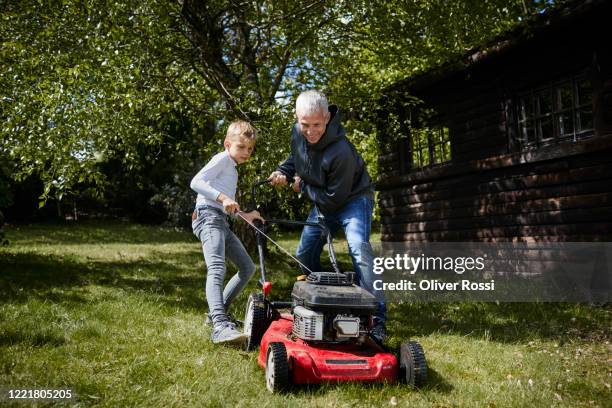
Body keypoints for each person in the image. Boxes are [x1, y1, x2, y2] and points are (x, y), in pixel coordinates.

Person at [268, 90, 387, 343]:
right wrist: (283, 171)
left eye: (317, 125)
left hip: (352, 199)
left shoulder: (341, 150)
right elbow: (297, 159)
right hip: (324, 197)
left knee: (359, 250)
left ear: (327, 117)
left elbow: (334, 199)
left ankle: (377, 320)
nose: (310, 131)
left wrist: (302, 187)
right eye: (305, 124)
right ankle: (325, 301)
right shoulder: (297, 132)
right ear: (297, 118)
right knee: (304, 252)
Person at [191, 120, 263, 345]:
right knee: (217, 267)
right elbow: (196, 182)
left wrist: (246, 215)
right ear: (227, 144)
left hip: (220, 220)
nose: (246, 152)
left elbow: (227, 206)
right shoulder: (222, 159)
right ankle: (220, 325)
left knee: (247, 267)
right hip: (208, 218)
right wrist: (223, 198)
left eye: (250, 149)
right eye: (241, 147)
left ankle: (215, 315)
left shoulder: (231, 167)